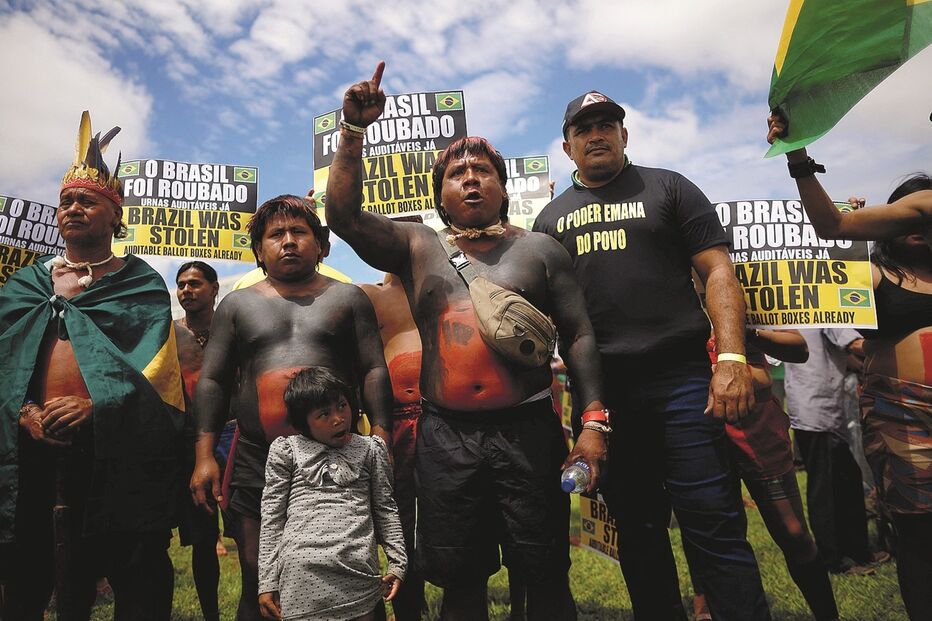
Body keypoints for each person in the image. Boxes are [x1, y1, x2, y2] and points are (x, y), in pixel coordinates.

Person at [326, 62, 607, 621]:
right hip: (445, 436)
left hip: (527, 429)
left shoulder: (540, 250)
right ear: (440, 192)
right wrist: (353, 133)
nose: (472, 178)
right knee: (458, 580)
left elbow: (578, 335)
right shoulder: (416, 246)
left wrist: (594, 423)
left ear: (502, 186)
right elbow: (342, 215)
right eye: (458, 173)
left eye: (483, 170)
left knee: (545, 571)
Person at [533, 91, 770, 621]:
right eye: (584, 128)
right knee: (638, 534)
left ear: (625, 134)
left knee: (715, 524)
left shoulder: (670, 187)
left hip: (684, 382)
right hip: (606, 395)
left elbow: (717, 271)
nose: (597, 134)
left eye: (607, 124)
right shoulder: (549, 221)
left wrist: (730, 358)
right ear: (568, 146)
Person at [0, 111, 185, 620]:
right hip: (32, 456)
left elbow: (158, 373)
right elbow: (3, 364)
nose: (72, 209)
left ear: (114, 215)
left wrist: (96, 407)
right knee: (26, 581)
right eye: (65, 201)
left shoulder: (140, 283)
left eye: (87, 201)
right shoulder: (22, 286)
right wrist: (26, 413)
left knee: (136, 579)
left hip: (116, 455)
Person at [190, 195, 392, 621]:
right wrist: (204, 455)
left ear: (321, 245)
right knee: (259, 575)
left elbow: (374, 369)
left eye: (299, 232)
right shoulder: (237, 305)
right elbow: (213, 380)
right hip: (256, 456)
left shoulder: (349, 299)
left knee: (348, 567)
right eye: (275, 234)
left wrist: (382, 435)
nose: (288, 242)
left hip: (337, 457)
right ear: (259, 250)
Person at [768, 113, 932, 620]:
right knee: (920, 530)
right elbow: (831, 227)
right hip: (905, 416)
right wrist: (798, 157)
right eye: (906, 214)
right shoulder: (873, 276)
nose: (917, 223)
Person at [693, 329, 838, 621]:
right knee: (710, 532)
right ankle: (706, 610)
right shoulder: (673, 292)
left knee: (793, 532)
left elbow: (799, 348)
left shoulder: (748, 292)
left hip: (756, 424)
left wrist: (747, 332)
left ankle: (828, 615)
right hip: (696, 424)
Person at [258, 367, 406, 621]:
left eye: (342, 406)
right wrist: (267, 581)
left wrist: (397, 561)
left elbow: (385, 507)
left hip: (358, 567)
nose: (338, 418)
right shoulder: (287, 451)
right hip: (302, 574)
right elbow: (272, 518)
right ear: (303, 422)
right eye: (324, 414)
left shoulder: (370, 449)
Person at [360, 269, 425, 621]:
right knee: (396, 522)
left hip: (447, 420)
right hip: (393, 423)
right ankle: (407, 602)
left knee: (455, 524)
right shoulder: (367, 295)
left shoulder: (446, 283)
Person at [174, 260, 233, 621]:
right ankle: (211, 613)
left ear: (214, 289)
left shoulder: (232, 330)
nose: (186, 290)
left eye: (195, 283)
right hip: (189, 441)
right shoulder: (168, 333)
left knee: (249, 528)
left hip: (233, 433)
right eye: (181, 284)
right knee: (201, 538)